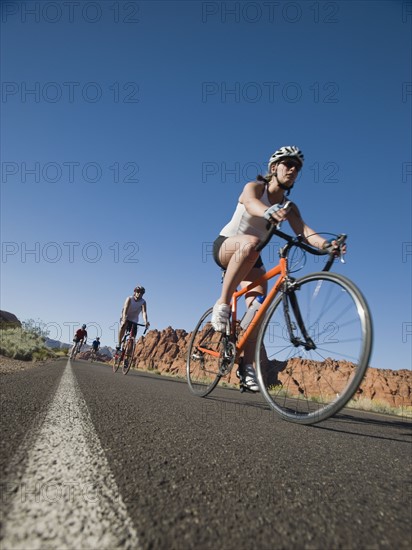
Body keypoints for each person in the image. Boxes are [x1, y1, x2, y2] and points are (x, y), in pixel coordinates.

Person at [211, 145, 345, 392]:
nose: (293, 170)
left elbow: (305, 233)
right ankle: (222, 303)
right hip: (227, 246)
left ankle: (247, 367)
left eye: (297, 167)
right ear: (274, 168)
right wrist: (268, 210)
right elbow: (250, 203)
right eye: (288, 164)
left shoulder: (289, 207)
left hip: (253, 259)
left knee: (259, 309)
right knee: (252, 243)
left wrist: (328, 245)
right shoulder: (256, 188)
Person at [117, 286, 150, 350]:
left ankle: (128, 358)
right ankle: (119, 343)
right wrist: (124, 319)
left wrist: (146, 321)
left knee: (132, 339)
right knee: (123, 325)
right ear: (135, 292)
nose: (139, 293)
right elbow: (125, 310)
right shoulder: (129, 299)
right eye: (138, 292)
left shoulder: (143, 302)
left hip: (134, 320)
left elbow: (144, 312)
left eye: (141, 293)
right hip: (126, 316)